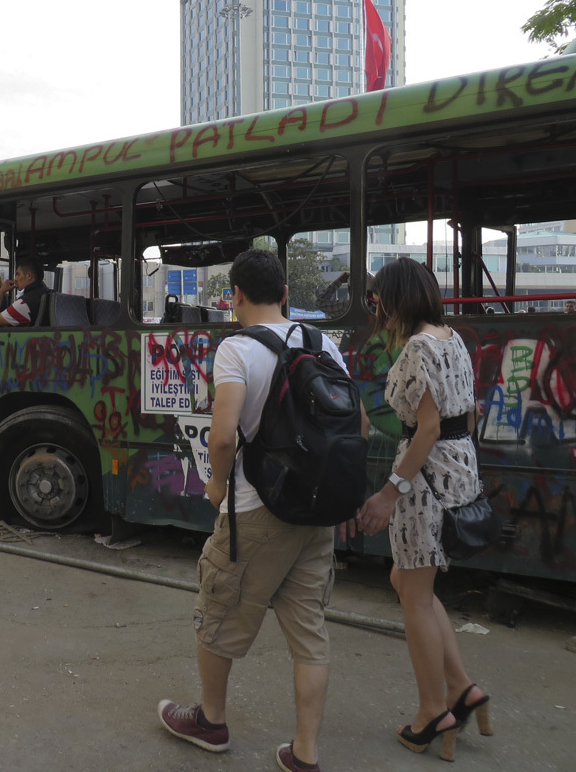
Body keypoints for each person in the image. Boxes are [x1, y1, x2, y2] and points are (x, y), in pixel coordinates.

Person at [158, 248, 363, 771]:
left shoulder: (236, 350)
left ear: (236, 298)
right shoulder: (325, 345)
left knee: (220, 611)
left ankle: (210, 720)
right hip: (315, 516)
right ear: (288, 294)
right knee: (309, 632)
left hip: (256, 511)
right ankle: (304, 753)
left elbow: (223, 436)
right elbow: (359, 428)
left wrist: (216, 485)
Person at [346, 257, 489, 762]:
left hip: (422, 482)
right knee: (409, 586)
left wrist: (390, 491)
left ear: (396, 299)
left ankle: (433, 711)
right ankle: (462, 689)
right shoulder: (452, 339)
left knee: (415, 596)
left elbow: (426, 429)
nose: (376, 311)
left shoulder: (415, 349)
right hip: (454, 474)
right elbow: (466, 416)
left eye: (377, 300)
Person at [0, 255, 48, 327]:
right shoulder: (47, 293)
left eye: (18, 274)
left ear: (29, 276)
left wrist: (1, 291)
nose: (15, 279)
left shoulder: (23, 305)